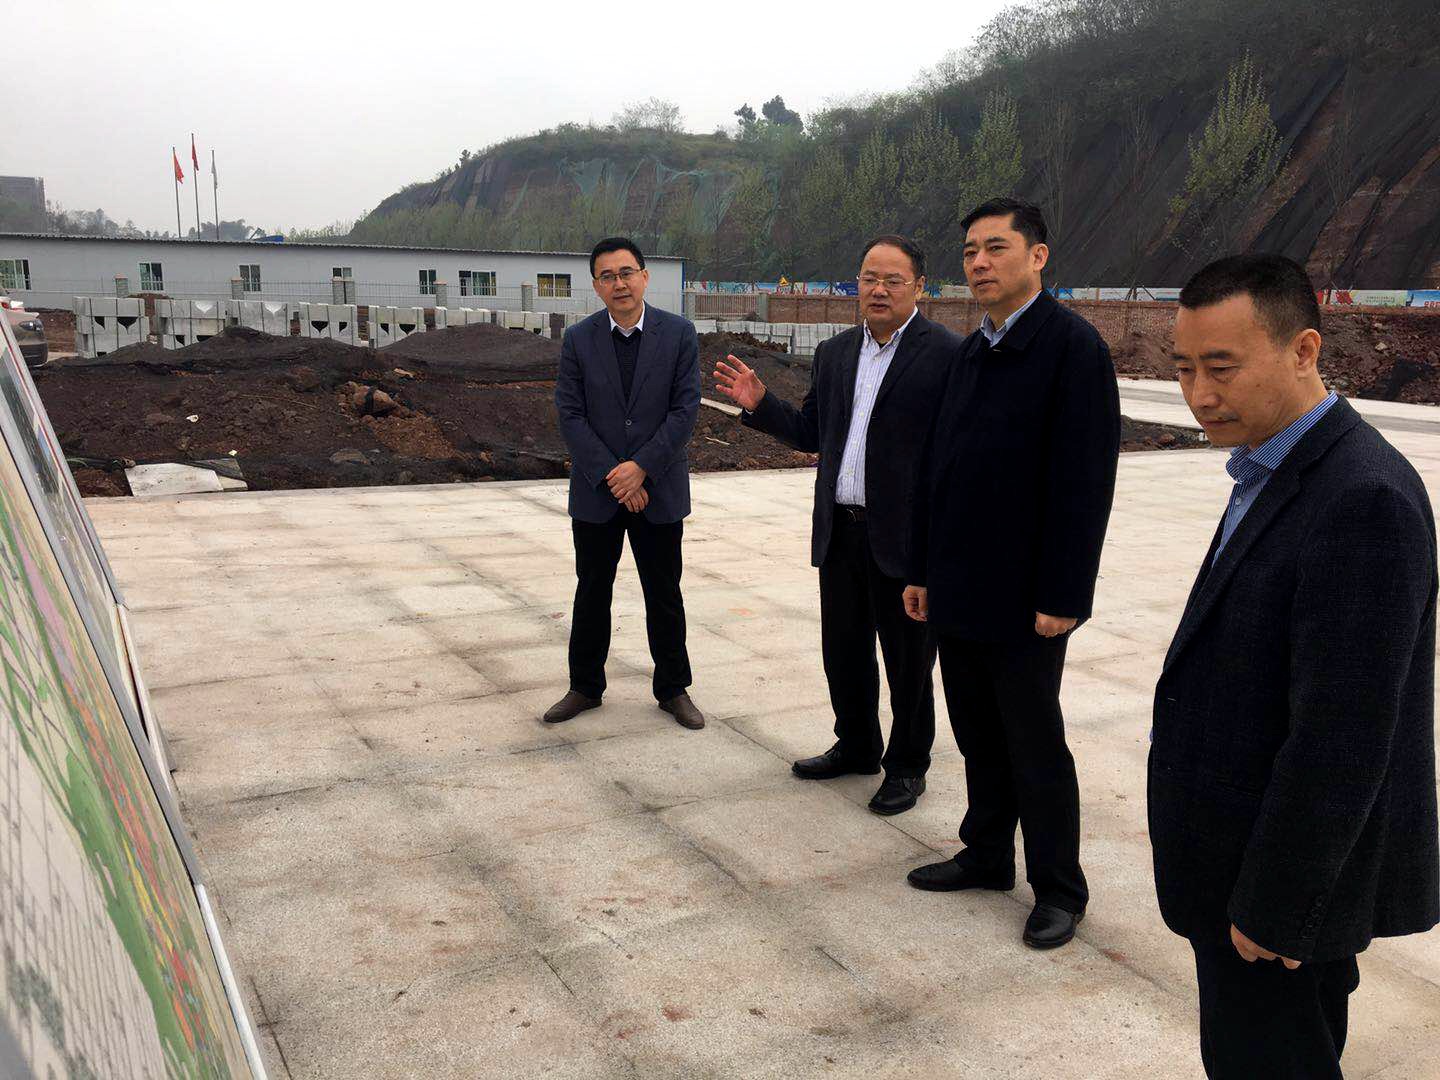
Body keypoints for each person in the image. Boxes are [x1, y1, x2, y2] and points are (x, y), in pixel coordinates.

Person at [1151, 253, 1438, 1078]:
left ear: (1305, 349)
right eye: (1183, 368)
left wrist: (1280, 906)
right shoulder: (1271, 465)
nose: (1199, 394)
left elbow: (1343, 739)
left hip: (1270, 896)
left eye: (1222, 367)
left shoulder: (1361, 498)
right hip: (1237, 864)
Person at [903, 198, 1119, 949]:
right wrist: (923, 569)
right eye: (970, 251)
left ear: (1038, 256)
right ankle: (987, 854)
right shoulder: (973, 350)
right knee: (976, 734)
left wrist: (1065, 594)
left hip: (1028, 597)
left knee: (1034, 743)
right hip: (959, 586)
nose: (979, 263)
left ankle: (1059, 888)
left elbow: (1084, 484)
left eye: (996, 247)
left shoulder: (1071, 349)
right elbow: (940, 471)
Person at [712, 236, 960, 815]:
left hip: (905, 539)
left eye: (893, 280)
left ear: (920, 287)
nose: (878, 289)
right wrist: (760, 403)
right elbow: (810, 432)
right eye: (869, 277)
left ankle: (907, 766)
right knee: (843, 652)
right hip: (841, 532)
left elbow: (954, 455)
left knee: (908, 662)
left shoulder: (948, 355)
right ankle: (857, 745)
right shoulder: (836, 353)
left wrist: (937, 548)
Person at [544, 237, 705, 730]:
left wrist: (642, 469)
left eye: (627, 272)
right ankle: (584, 686)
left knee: (664, 592)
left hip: (659, 488)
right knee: (592, 590)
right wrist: (616, 476)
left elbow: (685, 410)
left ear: (645, 277)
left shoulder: (679, 334)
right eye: (608, 276)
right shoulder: (579, 339)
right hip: (599, 492)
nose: (620, 283)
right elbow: (570, 414)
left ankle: (673, 688)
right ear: (596, 286)